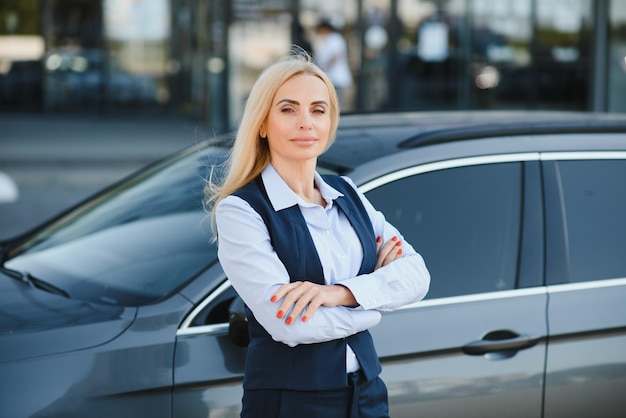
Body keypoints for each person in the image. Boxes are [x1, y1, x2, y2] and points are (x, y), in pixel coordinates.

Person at [207, 51, 430, 418]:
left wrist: (339, 294)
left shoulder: (348, 193)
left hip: (367, 393)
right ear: (262, 123)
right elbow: (288, 324)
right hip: (291, 402)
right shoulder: (242, 210)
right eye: (288, 109)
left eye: (318, 110)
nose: (306, 123)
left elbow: (417, 276)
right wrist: (373, 302)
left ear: (330, 122)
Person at [314, 19, 353, 108]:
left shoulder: (334, 38)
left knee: (335, 104)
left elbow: (336, 55)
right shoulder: (328, 40)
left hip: (336, 78)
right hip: (331, 78)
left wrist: (324, 68)